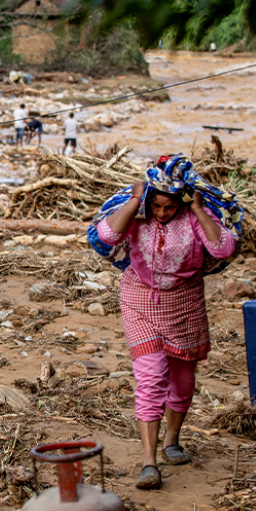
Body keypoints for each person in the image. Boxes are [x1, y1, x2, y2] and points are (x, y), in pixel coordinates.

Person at [95, 163, 236, 490]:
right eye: (156, 205)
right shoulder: (138, 217)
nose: (161, 212)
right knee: (151, 378)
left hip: (185, 304)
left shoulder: (192, 219)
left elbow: (223, 248)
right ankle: (149, 462)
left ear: (181, 201)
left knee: (183, 382)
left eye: (169, 206)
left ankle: (172, 441)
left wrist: (198, 209)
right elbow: (106, 235)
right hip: (138, 300)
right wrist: (134, 201)